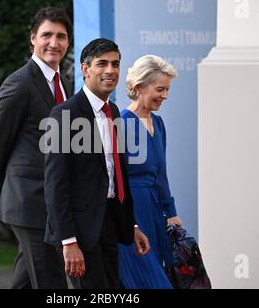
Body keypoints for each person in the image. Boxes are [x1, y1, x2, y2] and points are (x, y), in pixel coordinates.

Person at [44, 38, 150, 289]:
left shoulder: (113, 110)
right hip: (80, 231)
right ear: (85, 69)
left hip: (110, 224)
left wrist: (131, 224)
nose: (110, 70)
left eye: (115, 64)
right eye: (102, 63)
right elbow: (55, 183)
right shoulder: (63, 114)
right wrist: (68, 241)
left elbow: (117, 175)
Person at [0, 7, 72, 289]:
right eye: (47, 35)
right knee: (52, 283)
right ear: (33, 39)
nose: (54, 43)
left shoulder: (66, 84)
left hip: (51, 202)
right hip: (28, 203)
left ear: (68, 42)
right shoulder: (19, 83)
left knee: (25, 281)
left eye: (61, 36)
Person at [117, 54, 183, 289]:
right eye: (160, 89)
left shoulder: (159, 124)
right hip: (132, 215)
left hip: (156, 213)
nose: (165, 95)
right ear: (138, 87)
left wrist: (171, 212)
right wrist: (129, 223)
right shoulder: (120, 124)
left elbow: (161, 174)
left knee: (162, 275)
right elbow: (115, 181)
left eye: (167, 89)